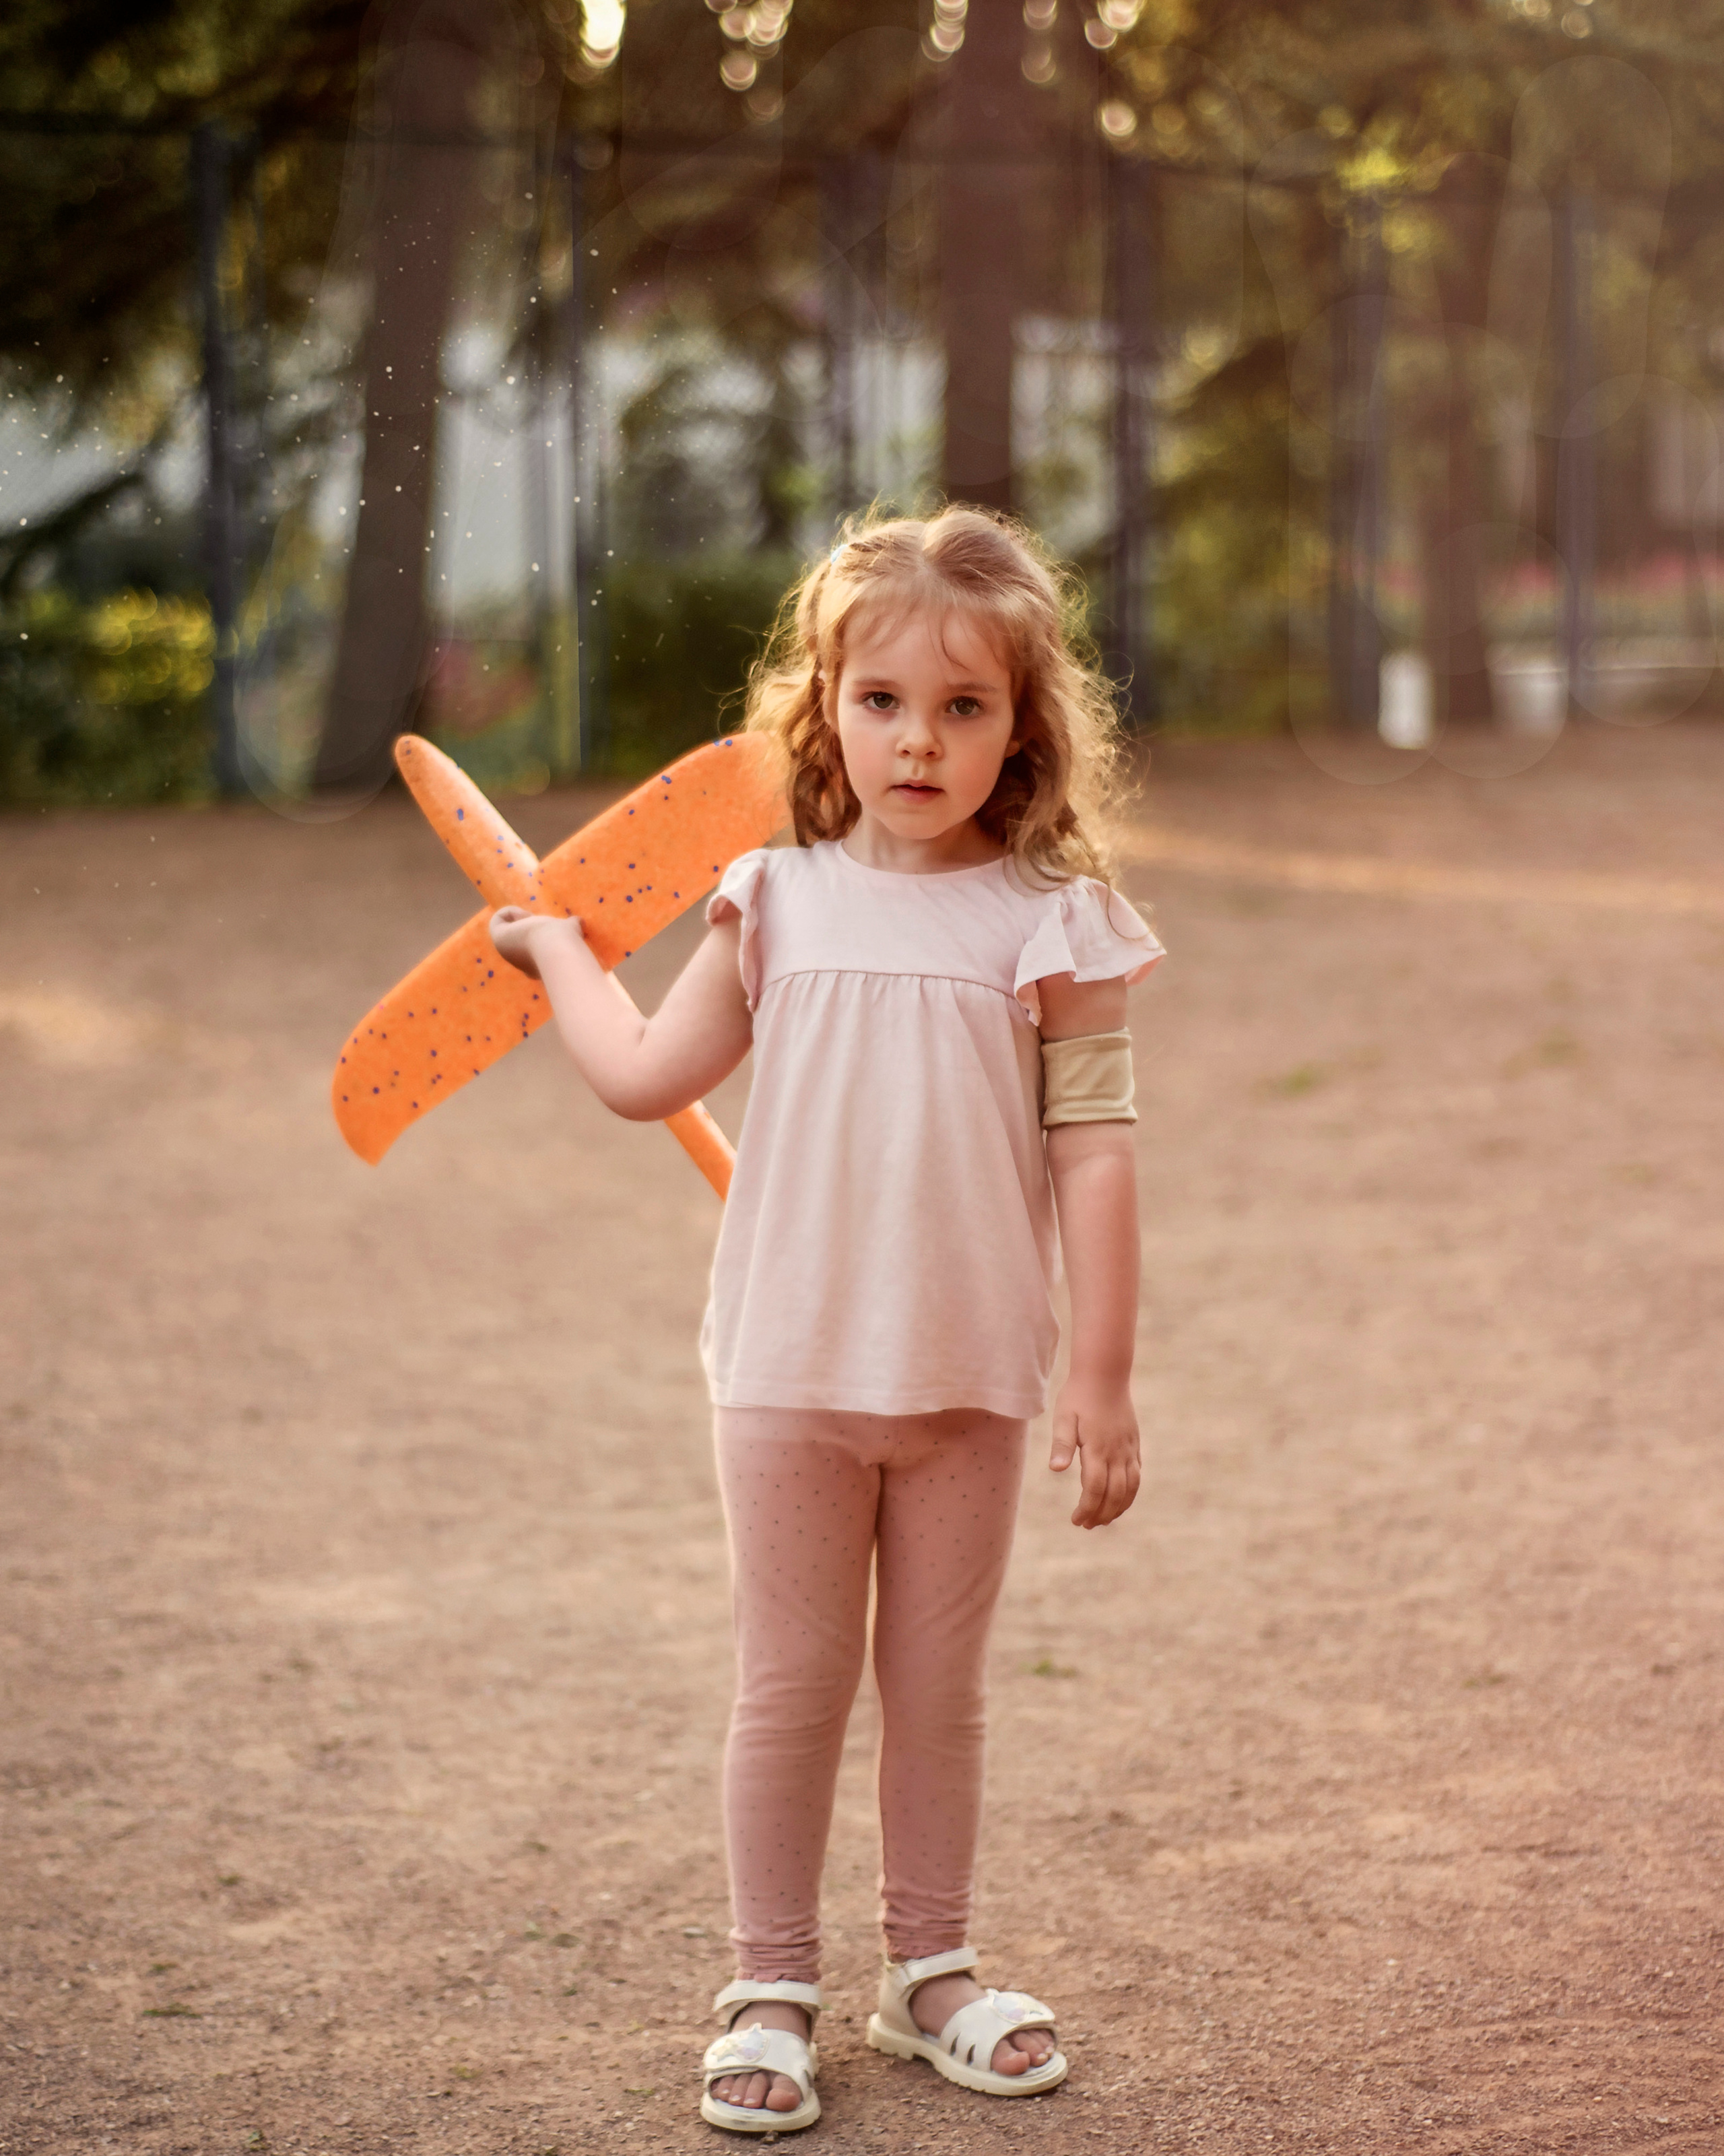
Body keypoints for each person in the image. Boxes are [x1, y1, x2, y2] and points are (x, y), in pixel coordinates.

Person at [489, 507, 1162, 2135]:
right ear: (824, 706)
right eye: (881, 702)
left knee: (937, 1689)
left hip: (966, 1378)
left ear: (1021, 726)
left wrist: (1101, 1369)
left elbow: (1094, 1152)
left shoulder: (1048, 922)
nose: (917, 741)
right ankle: (767, 1985)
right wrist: (557, 953)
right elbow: (645, 1072)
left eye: (961, 706)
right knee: (791, 1683)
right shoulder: (769, 898)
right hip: (790, 1369)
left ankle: (925, 1966)